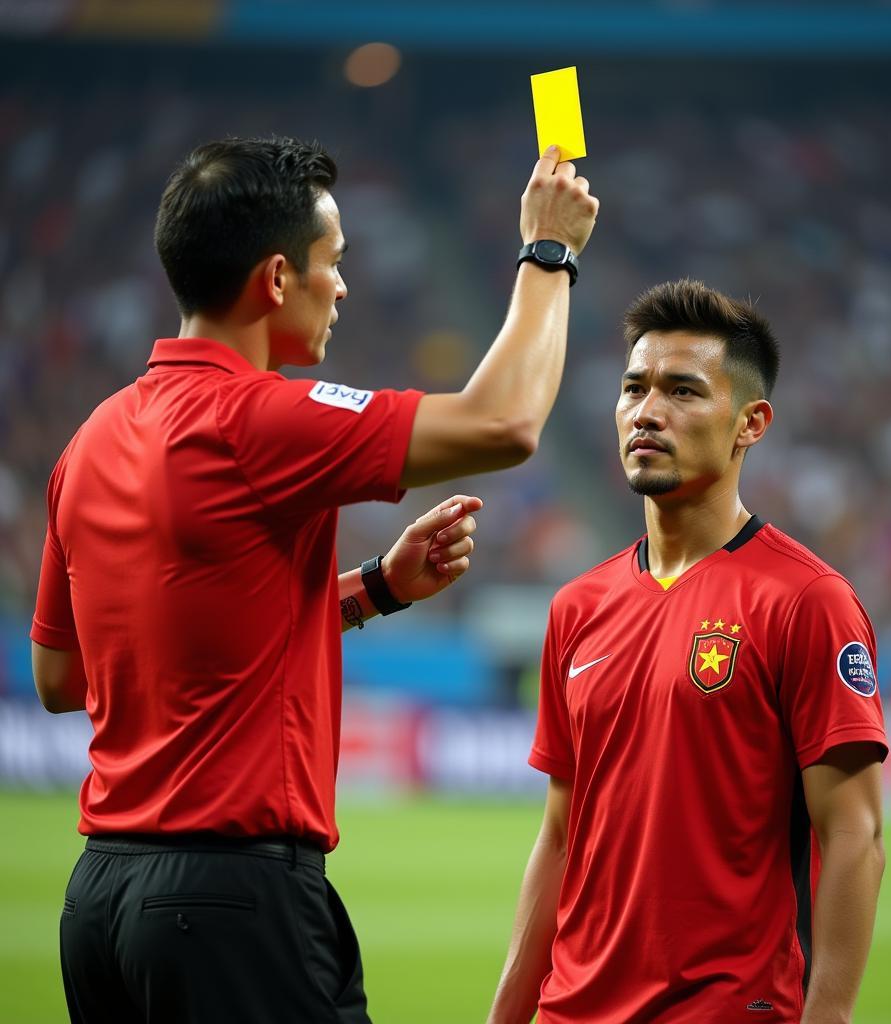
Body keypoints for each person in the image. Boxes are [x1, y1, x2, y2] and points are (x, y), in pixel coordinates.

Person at [30, 135, 598, 1023]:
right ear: (276, 279)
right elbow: (506, 423)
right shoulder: (257, 417)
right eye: (333, 262)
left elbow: (62, 679)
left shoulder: (90, 442)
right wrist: (549, 251)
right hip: (231, 907)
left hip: (98, 902)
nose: (343, 286)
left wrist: (370, 590)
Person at [488, 278, 888, 1024]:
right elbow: (559, 834)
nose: (647, 412)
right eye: (634, 388)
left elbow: (854, 835)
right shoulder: (577, 608)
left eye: (682, 391)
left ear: (750, 423)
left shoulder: (807, 600)